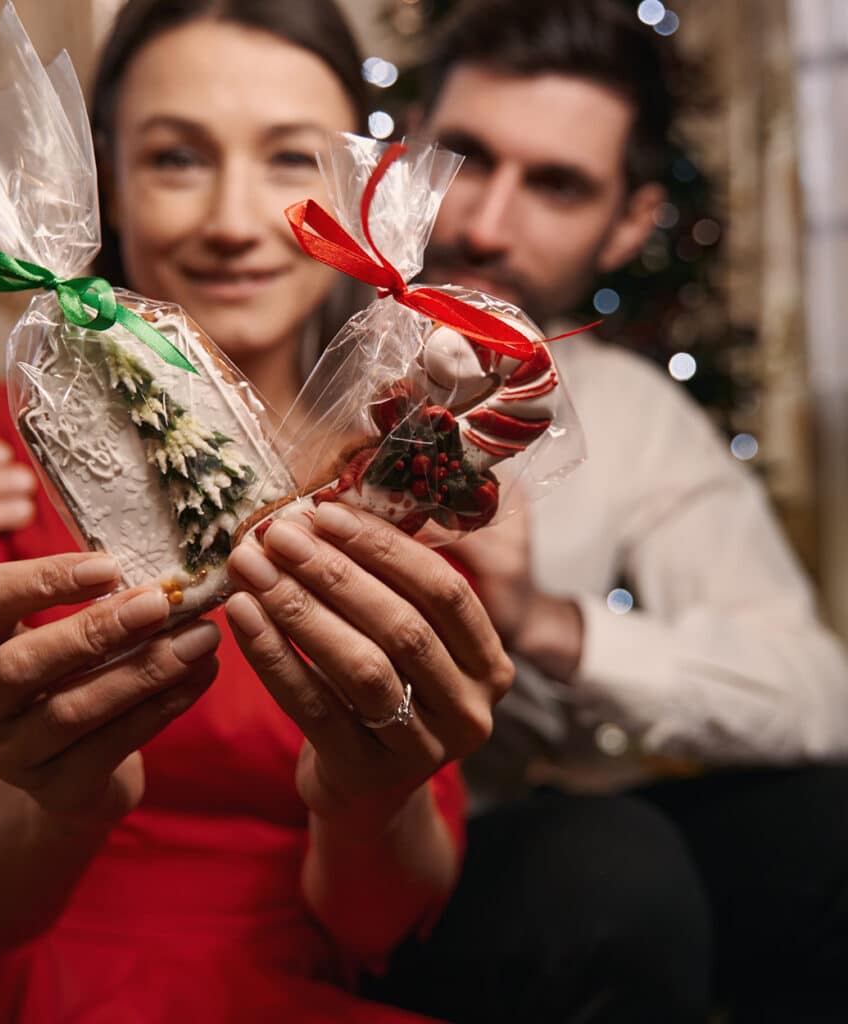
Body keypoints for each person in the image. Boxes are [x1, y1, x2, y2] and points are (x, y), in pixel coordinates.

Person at [0, 2, 515, 1020]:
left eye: (288, 159)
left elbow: (377, 925)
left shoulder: (405, 471)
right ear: (110, 177)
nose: (232, 222)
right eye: (176, 158)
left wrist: (371, 796)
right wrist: (54, 802)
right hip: (28, 981)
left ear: (353, 192)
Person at [360, 2, 848, 1022]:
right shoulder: (298, 344)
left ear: (628, 224)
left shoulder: (630, 417)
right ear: (405, 158)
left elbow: (813, 693)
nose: (487, 223)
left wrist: (545, 623)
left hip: (521, 843)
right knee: (605, 867)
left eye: (557, 186)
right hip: (353, 854)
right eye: (466, 160)